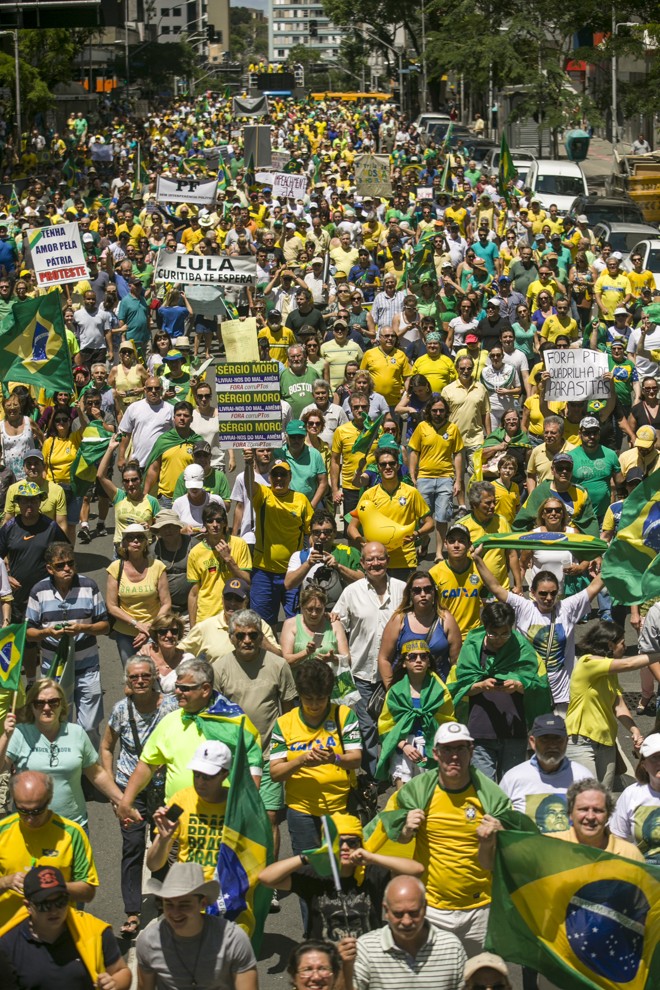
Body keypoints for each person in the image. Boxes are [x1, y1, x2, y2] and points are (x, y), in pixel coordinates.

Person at [370, 722, 529, 956]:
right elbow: (398, 838)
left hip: (479, 910)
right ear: (435, 753)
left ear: (471, 751)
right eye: (447, 749)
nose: (454, 756)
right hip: (432, 909)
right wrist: (406, 829)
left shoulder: (491, 798)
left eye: (461, 749)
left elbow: (494, 861)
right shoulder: (418, 792)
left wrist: (493, 838)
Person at [117, 658, 262, 819]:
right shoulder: (170, 721)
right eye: (177, 687)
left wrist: (247, 806)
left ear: (205, 689)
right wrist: (126, 801)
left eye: (185, 688)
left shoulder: (235, 722)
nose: (178, 692)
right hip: (176, 820)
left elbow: (253, 765)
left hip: (223, 819)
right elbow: (147, 765)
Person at [472, 547, 603, 712]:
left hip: (561, 694)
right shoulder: (523, 607)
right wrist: (477, 558)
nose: (548, 598)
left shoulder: (567, 608)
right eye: (543, 594)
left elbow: (594, 588)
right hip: (528, 688)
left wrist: (609, 559)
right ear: (532, 592)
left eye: (553, 593)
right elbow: (495, 587)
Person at [100, 656, 176, 939]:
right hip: (130, 790)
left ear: (155, 676)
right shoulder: (121, 710)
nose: (140, 681)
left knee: (163, 844)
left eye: (145, 676)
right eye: (134, 678)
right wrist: (112, 789)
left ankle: (161, 897)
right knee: (132, 847)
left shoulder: (171, 707)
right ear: (127, 682)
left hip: (164, 787)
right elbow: (107, 746)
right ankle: (132, 911)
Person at [260, 814, 423, 940]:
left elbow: (416, 870)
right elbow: (266, 878)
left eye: (352, 842)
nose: (345, 847)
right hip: (325, 962)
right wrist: (307, 858)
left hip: (365, 960)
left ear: (360, 844)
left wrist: (372, 857)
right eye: (338, 842)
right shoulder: (314, 875)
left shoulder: (372, 873)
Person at [447, 602, 552, 781]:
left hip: (514, 732)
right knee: (487, 788)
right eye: (493, 633)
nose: (499, 639)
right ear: (485, 627)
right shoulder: (472, 648)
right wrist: (481, 686)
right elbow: (457, 688)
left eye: (505, 633)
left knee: (512, 785)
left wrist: (520, 686)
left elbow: (540, 685)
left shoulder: (522, 649)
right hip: (480, 731)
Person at [269, 659, 362, 861]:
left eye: (320, 699)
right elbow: (275, 773)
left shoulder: (344, 716)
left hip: (340, 809)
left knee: (343, 871)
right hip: (301, 811)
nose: (314, 705)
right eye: (307, 698)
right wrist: (300, 760)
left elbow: (355, 759)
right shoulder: (284, 724)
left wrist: (334, 758)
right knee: (309, 874)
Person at [0, 677, 122, 828]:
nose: (47, 708)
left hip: (72, 826)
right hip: (29, 827)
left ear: (62, 705)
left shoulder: (76, 733)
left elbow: (96, 774)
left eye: (53, 702)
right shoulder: (20, 733)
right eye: (39, 703)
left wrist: (121, 801)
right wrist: (6, 736)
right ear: (31, 706)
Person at [25, 542, 109, 747]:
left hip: (87, 667)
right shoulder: (39, 591)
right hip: (54, 671)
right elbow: (28, 633)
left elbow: (105, 625)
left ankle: (88, 770)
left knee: (89, 727)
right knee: (58, 723)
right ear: (50, 569)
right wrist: (46, 633)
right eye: (60, 565)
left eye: (70, 563)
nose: (67, 569)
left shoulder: (89, 586)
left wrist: (83, 629)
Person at [0, 865, 131, 990]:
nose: (54, 911)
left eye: (60, 902)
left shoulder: (94, 931)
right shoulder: (7, 946)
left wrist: (114, 984)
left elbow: (121, 971)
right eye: (45, 905)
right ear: (28, 906)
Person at [565, 621, 660, 788]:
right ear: (610, 644)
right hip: (582, 742)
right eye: (622, 643)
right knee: (587, 795)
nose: (624, 648)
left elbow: (618, 705)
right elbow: (629, 664)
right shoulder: (588, 663)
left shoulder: (610, 672)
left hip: (607, 743)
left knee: (604, 798)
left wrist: (634, 729)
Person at [135, 862, 258, 990]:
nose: (175, 913)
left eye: (184, 904)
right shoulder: (149, 941)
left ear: (203, 903)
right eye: (169, 904)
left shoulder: (233, 940)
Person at [0, 771, 98, 927]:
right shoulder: (2, 831)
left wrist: (53, 886)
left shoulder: (71, 833)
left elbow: (88, 891)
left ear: (49, 799)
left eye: (37, 811)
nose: (30, 818)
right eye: (23, 811)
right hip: (9, 935)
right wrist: (6, 882)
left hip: (57, 934)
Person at [342, 876, 467, 990]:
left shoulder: (451, 947)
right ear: (386, 910)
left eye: (413, 913)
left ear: (424, 908)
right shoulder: (367, 948)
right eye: (398, 914)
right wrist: (346, 968)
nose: (406, 921)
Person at [244, 450, 314, 627]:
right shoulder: (263, 495)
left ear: (290, 477)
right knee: (261, 625)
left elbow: (310, 532)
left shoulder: (301, 500)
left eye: (283, 474)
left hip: (293, 573)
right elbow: (249, 485)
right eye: (275, 474)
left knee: (297, 623)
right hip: (263, 572)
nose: (279, 479)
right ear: (269, 477)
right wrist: (247, 464)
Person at [146, 740, 232, 878]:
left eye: (207, 777)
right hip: (187, 891)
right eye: (196, 775)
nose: (200, 782)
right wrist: (163, 839)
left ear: (225, 774)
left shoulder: (238, 804)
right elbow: (153, 865)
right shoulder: (180, 801)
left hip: (225, 892)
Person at [376, 640, 456, 787]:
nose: (418, 661)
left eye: (423, 657)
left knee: (429, 798)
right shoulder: (395, 692)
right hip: (402, 749)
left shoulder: (440, 691)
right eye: (412, 657)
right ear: (404, 663)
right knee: (404, 798)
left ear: (429, 662)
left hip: (431, 748)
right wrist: (404, 745)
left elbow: (447, 723)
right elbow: (386, 726)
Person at [347, 447, 433, 581]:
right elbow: (351, 527)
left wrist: (417, 534)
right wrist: (363, 543)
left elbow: (430, 523)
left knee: (403, 601)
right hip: (376, 561)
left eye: (392, 463)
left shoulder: (411, 493)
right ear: (378, 467)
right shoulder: (369, 495)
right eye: (383, 464)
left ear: (398, 466)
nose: (388, 467)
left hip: (405, 560)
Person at [499, 714, 592, 833]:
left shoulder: (583, 777)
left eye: (557, 738)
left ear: (566, 741)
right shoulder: (513, 778)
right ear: (532, 742)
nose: (552, 745)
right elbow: (499, 822)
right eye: (545, 739)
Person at [377, 571, 461, 687]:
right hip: (404, 691)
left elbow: (456, 662)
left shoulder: (446, 619)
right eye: (417, 590)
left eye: (428, 589)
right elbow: (384, 658)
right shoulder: (399, 620)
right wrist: (391, 690)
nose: (423, 594)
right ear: (410, 594)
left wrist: (452, 690)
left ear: (434, 592)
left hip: (438, 690)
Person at [106, 523, 171, 667]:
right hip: (125, 633)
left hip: (153, 630)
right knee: (132, 676)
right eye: (131, 538)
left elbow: (166, 603)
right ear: (124, 543)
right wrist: (137, 624)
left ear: (145, 543)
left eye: (140, 538)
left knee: (156, 675)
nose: (136, 541)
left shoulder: (157, 566)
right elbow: (112, 605)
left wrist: (149, 627)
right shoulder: (115, 568)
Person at [408, 394, 465, 557]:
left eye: (441, 410)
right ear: (429, 411)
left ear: (446, 411)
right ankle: (424, 540)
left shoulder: (452, 428)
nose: (438, 414)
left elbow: (458, 454)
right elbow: (414, 452)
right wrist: (413, 475)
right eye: (434, 411)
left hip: (445, 478)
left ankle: (439, 552)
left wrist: (458, 481)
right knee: (423, 518)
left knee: (442, 518)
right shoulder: (422, 427)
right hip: (424, 478)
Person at [186, 503, 251, 625]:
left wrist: (229, 560)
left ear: (225, 523)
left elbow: (247, 581)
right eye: (210, 521)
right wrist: (193, 626)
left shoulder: (239, 544)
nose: (215, 525)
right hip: (206, 616)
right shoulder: (195, 553)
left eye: (219, 520)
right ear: (204, 525)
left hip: (235, 614)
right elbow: (194, 593)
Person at [285, 509, 363, 609]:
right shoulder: (300, 556)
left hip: (342, 614)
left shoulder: (349, 552)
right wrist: (308, 564)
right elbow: (288, 584)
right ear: (311, 534)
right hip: (312, 615)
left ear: (335, 532)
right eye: (317, 532)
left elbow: (363, 581)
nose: (322, 536)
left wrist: (338, 567)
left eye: (327, 532)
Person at [553, 778, 644, 859]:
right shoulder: (551, 850)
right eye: (583, 809)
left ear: (608, 815)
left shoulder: (630, 855)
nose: (590, 817)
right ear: (570, 813)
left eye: (598, 810)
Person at [460, 481, 522, 593]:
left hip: (501, 588)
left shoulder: (502, 522)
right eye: (488, 503)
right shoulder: (462, 526)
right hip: (472, 590)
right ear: (474, 504)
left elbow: (512, 554)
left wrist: (518, 585)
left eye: (494, 502)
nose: (493, 506)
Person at [609, 733, 660, 863]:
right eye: (655, 758)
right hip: (645, 872)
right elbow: (618, 839)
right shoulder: (632, 794)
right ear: (644, 764)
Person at [429, 523, 486, 638]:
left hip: (473, 636)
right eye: (451, 541)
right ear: (445, 544)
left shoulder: (480, 570)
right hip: (444, 635)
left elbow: (489, 604)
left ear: (469, 544)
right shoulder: (434, 573)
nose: (456, 545)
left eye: (461, 541)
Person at [143, 401, 202, 509]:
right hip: (165, 498)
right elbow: (154, 469)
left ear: (192, 419)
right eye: (179, 415)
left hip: (190, 498)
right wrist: (145, 494)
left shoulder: (198, 442)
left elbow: (202, 470)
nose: (182, 418)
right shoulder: (163, 441)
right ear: (174, 418)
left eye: (186, 415)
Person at [441, 356, 491, 480]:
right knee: (458, 477)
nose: (466, 371)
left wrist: (489, 436)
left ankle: (477, 500)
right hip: (454, 439)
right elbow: (442, 416)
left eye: (469, 368)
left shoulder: (481, 388)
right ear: (457, 369)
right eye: (462, 368)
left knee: (477, 476)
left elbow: (486, 413)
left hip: (476, 438)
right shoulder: (448, 390)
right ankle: (462, 500)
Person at [280, 584, 350, 667]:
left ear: (324, 607)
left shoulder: (334, 624)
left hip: (328, 678)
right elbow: (286, 661)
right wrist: (306, 652)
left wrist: (334, 659)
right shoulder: (290, 624)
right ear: (302, 607)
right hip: (300, 678)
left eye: (318, 609)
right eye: (310, 609)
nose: (314, 613)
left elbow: (347, 660)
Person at [116, 376, 173, 469]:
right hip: (139, 462)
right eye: (150, 389)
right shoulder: (133, 408)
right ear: (145, 390)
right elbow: (125, 434)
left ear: (161, 389)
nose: (153, 391)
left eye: (157, 388)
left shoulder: (170, 409)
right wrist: (121, 457)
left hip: (162, 464)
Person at [3, 448, 67, 531]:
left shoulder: (57, 490)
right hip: (20, 537)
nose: (32, 467)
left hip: (46, 537)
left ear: (44, 466)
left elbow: (61, 524)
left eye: (36, 463)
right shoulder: (13, 489)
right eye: (29, 464)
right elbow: (8, 519)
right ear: (23, 467)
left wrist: (61, 543)